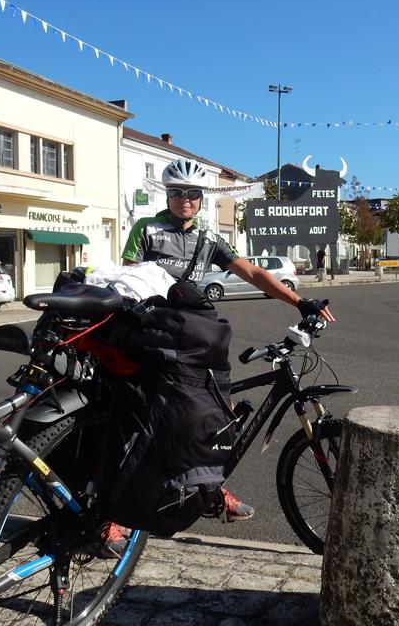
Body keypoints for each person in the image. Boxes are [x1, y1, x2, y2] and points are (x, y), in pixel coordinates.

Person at [101, 158, 335, 556]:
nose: (185, 200)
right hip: (151, 333)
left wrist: (300, 301)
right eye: (177, 193)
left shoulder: (208, 238)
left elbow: (254, 274)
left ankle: (207, 488)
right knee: (133, 416)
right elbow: (129, 282)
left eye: (193, 194)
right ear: (168, 195)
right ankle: (108, 514)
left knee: (214, 415)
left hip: (191, 336)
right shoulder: (147, 229)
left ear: (201, 197)